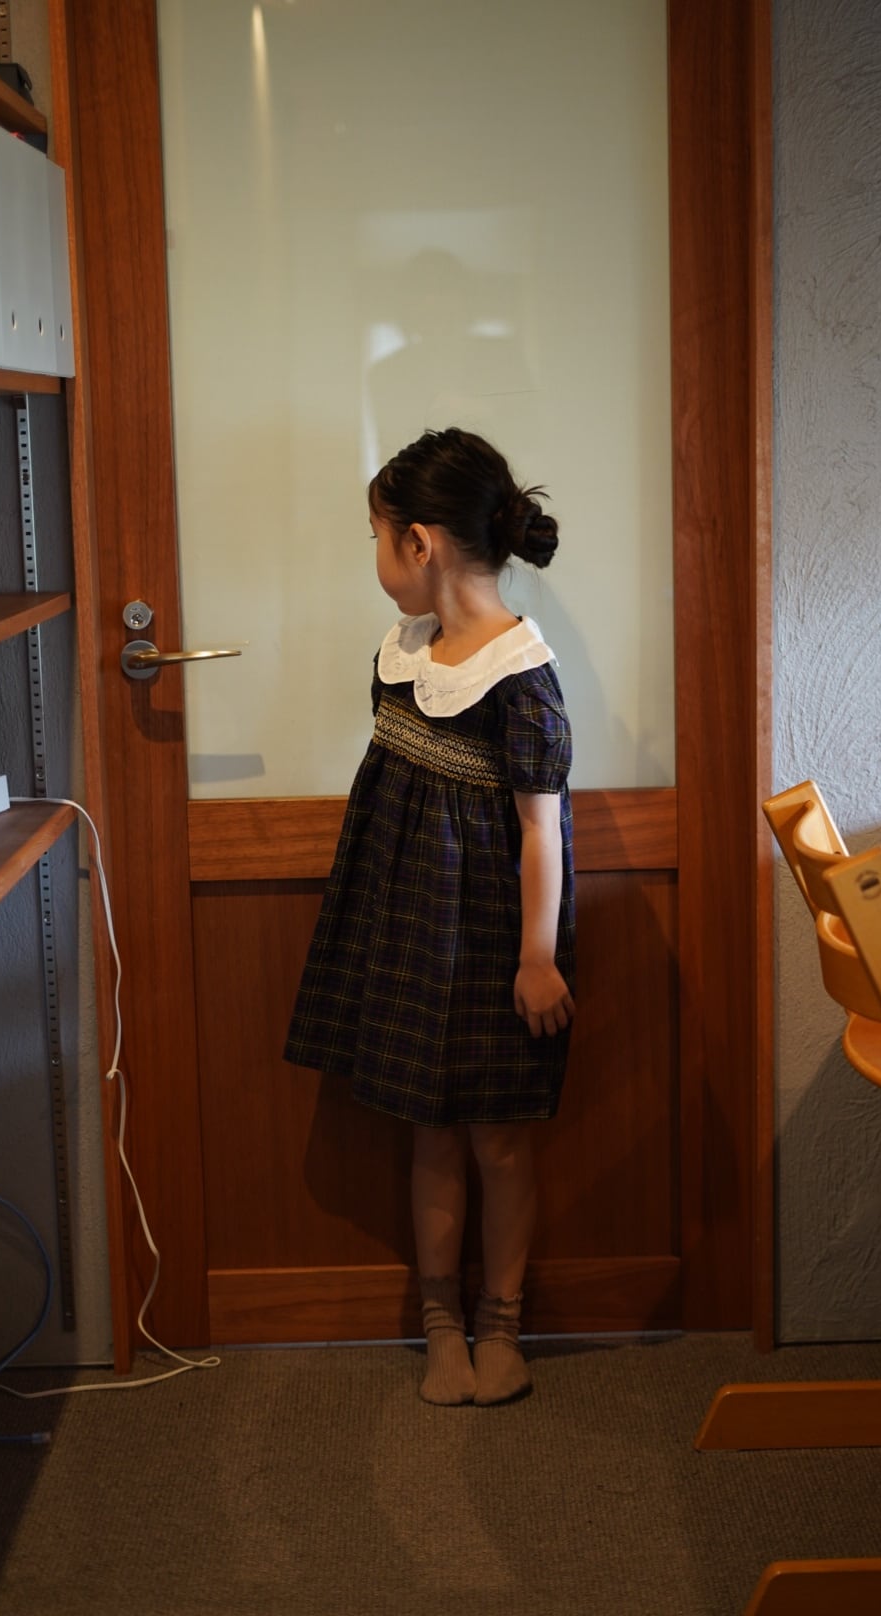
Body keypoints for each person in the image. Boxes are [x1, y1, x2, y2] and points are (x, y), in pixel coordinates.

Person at [285, 426, 575, 1406]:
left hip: (495, 940)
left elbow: (542, 829)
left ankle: (503, 1321)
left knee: (499, 1137)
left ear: (421, 543)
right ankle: (440, 1321)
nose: (375, 559)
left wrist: (537, 957)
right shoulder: (403, 653)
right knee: (430, 1131)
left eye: (377, 537)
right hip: (410, 929)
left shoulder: (523, 675)